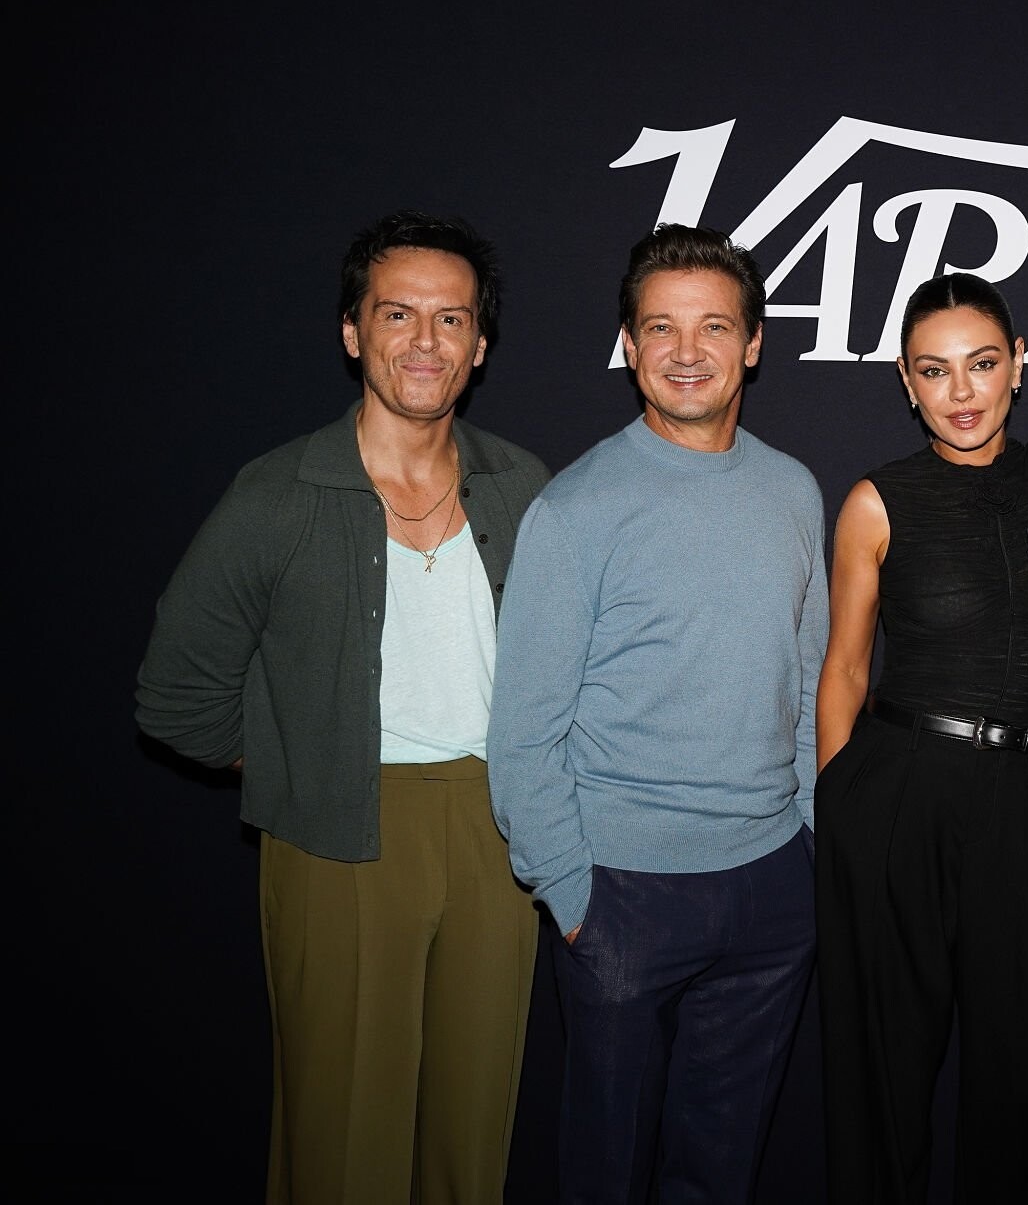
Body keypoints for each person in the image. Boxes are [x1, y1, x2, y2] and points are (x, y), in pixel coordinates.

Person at [135, 210, 551, 1204]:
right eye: (397, 313)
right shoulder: (277, 493)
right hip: (336, 836)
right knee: (345, 1138)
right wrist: (299, 761)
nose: (425, 341)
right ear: (353, 331)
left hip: (498, 836)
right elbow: (176, 697)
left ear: (480, 346)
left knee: (473, 1131)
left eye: (451, 319)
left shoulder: (522, 487)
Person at [484, 223, 828, 1205]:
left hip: (771, 887)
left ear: (751, 344)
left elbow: (807, 689)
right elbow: (522, 733)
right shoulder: (576, 509)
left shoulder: (793, 490)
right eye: (661, 327)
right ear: (630, 345)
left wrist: (808, 844)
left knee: (722, 1167)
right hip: (623, 896)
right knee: (606, 1171)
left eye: (713, 326)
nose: (687, 350)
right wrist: (572, 895)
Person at [814, 272, 1028, 1205]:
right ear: (906, 383)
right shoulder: (877, 501)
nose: (961, 392)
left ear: (1018, 365)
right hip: (900, 794)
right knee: (884, 1077)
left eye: (981, 364)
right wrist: (841, 822)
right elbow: (845, 669)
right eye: (934, 371)